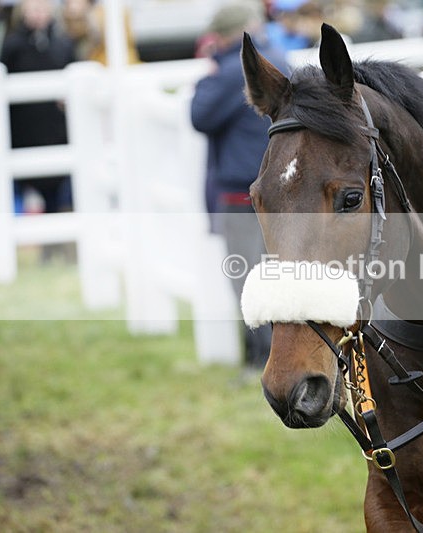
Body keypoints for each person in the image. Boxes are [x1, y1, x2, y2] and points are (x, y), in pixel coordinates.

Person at [190, 1, 288, 367]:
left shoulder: (233, 71)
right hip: (273, 188)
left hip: (239, 192)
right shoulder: (279, 57)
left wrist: (206, 76)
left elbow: (199, 115)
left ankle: (259, 360)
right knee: (271, 275)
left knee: (245, 279)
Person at [1, 0, 75, 260]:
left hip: (54, 129)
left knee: (57, 191)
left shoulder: (62, 42)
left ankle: (55, 248)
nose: (39, 14)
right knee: (25, 189)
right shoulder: (13, 45)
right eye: (34, 9)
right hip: (25, 129)